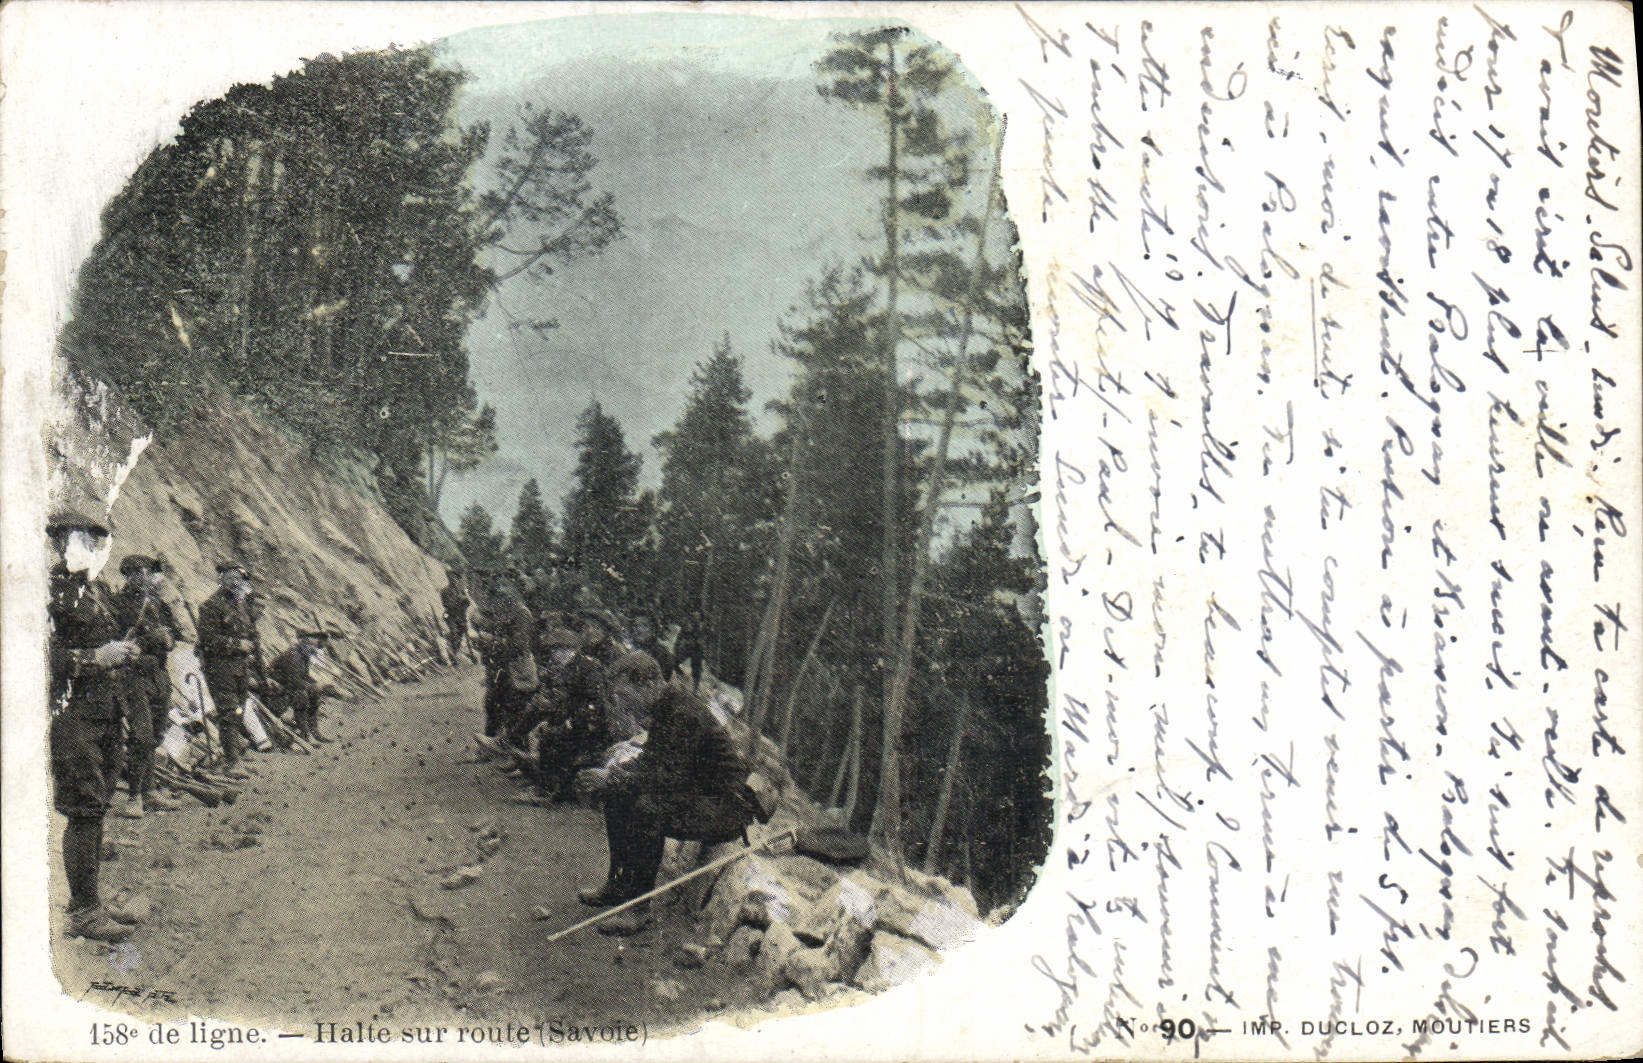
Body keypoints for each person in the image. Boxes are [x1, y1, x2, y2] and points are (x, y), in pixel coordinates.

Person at [576, 655, 758, 934]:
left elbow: (666, 779)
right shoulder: (667, 708)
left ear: (649, 684)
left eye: (626, 695)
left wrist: (614, 776)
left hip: (724, 807)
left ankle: (639, 908)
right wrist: (614, 773)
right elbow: (652, 761)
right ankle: (617, 885)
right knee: (616, 795)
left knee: (647, 808)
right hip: (698, 796)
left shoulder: (683, 713)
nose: (623, 704)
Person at [47, 511, 140, 942]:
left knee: (97, 805)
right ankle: (83, 913)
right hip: (72, 717)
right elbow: (34, 658)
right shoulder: (45, 593)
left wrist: (122, 651)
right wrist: (93, 659)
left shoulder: (95, 591)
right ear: (59, 543)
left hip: (104, 710)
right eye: (76, 539)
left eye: (91, 541)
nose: (85, 547)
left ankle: (89, 901)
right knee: (84, 808)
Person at [109, 554, 184, 817]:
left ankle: (149, 791)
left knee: (156, 734)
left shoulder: (158, 604)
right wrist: (152, 638)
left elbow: (176, 634)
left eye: (148, 573)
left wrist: (168, 640)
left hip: (159, 674)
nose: (144, 578)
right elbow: (114, 639)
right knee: (141, 736)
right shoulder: (118, 603)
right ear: (128, 575)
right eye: (138, 573)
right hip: (134, 677)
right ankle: (134, 798)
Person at [196, 560, 261, 772]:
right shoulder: (211, 606)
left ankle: (233, 755)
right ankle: (233, 762)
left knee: (239, 710)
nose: (235, 582)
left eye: (239, 578)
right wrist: (236, 644)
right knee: (229, 711)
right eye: (230, 578)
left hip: (240, 667)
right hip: (220, 667)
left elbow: (252, 635)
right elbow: (206, 640)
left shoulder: (241, 605)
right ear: (221, 579)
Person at [472, 569, 537, 739]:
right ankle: (491, 746)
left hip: (516, 668)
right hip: (500, 668)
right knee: (492, 706)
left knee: (514, 711)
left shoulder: (521, 613)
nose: (500, 596)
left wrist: (492, 641)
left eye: (504, 589)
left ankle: (514, 752)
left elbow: (519, 644)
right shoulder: (504, 613)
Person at [267, 630, 341, 742]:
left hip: (287, 688)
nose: (314, 651)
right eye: (312, 647)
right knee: (301, 696)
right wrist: (312, 686)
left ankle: (314, 731)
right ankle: (304, 733)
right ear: (305, 644)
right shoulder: (294, 656)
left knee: (313, 693)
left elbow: (303, 676)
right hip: (274, 693)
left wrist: (315, 685)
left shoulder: (302, 656)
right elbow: (293, 681)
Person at [672, 609, 707, 691]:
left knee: (696, 668)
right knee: (674, 662)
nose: (695, 618)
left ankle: (695, 687)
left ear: (700, 618)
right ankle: (680, 677)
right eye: (694, 616)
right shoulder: (687, 626)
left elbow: (705, 641)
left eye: (697, 616)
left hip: (697, 650)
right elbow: (679, 638)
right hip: (687, 648)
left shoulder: (703, 628)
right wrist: (677, 648)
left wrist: (703, 649)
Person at [440, 571, 471, 659]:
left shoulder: (462, 591)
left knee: (460, 635)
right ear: (449, 579)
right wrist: (460, 601)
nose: (454, 580)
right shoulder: (445, 591)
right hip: (451, 616)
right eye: (452, 578)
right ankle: (451, 653)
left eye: (455, 578)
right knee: (454, 633)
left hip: (461, 616)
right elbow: (446, 604)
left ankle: (454, 653)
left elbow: (468, 603)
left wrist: (465, 598)